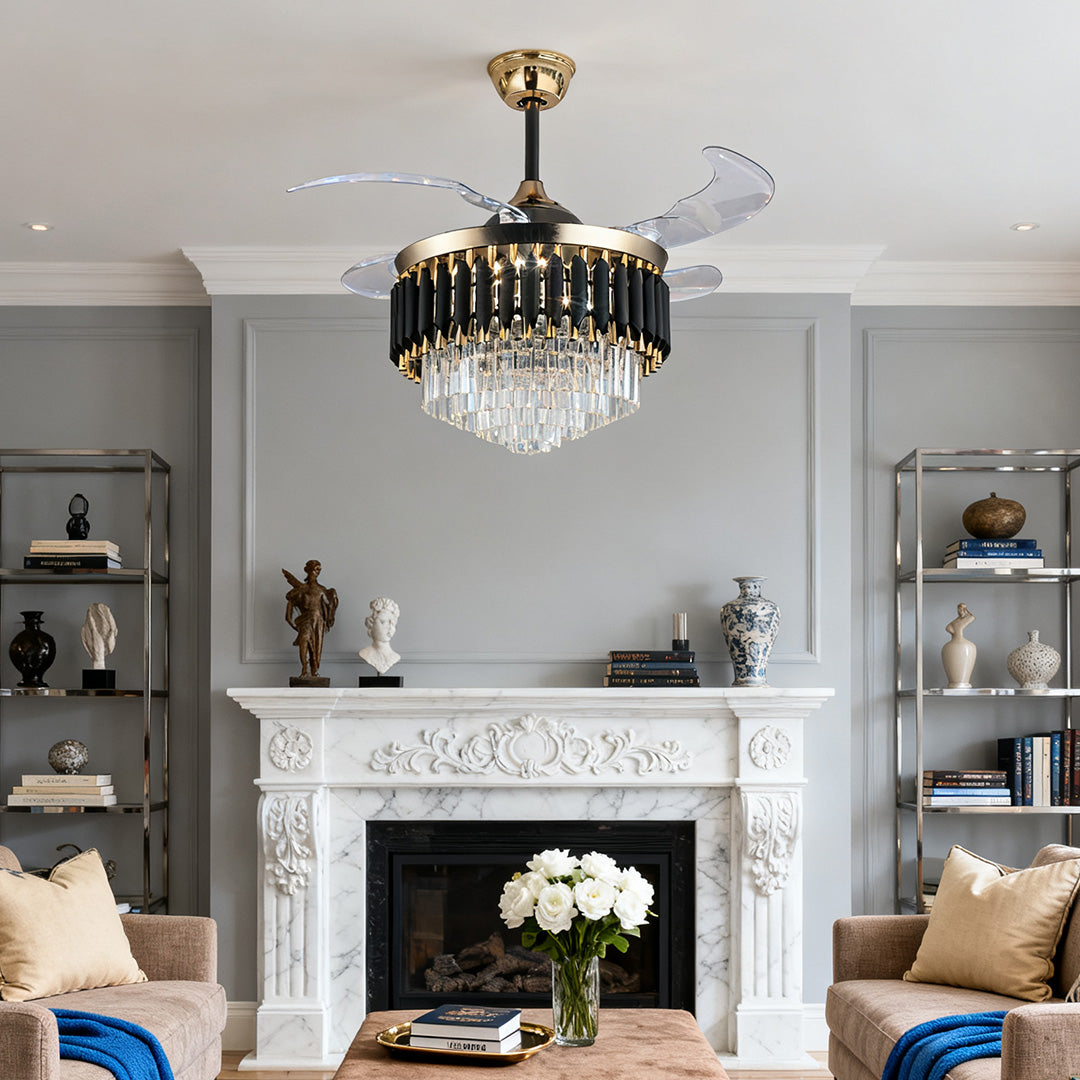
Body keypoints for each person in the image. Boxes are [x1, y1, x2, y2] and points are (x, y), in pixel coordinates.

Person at [282, 560, 338, 679]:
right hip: (305, 622)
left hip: (318, 623)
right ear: (308, 570)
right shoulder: (300, 590)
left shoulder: (322, 591)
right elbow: (288, 616)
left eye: (319, 569)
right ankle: (304, 669)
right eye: (315, 568)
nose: (317, 572)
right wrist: (297, 628)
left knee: (316, 649)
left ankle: (314, 671)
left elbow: (330, 608)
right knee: (304, 642)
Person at [358, 597, 401, 674]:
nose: (389, 627)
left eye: (392, 623)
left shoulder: (395, 657)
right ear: (371, 623)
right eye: (382, 622)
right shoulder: (365, 653)